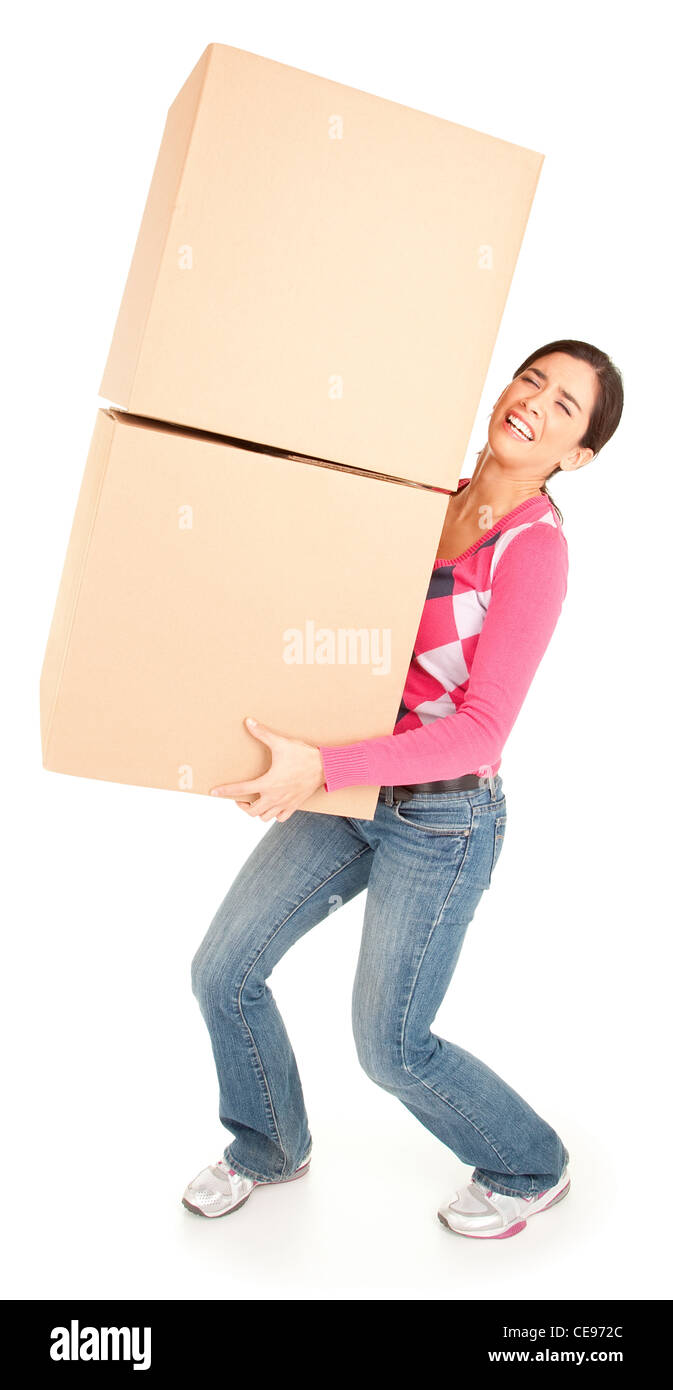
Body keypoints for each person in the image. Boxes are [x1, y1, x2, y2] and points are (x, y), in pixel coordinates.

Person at [184, 339, 623, 1239]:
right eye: (531, 378)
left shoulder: (533, 551)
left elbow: (481, 729)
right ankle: (269, 1148)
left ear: (575, 457)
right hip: (354, 785)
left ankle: (527, 1164)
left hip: (442, 818)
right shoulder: (424, 495)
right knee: (223, 970)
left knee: (389, 1049)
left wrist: (321, 768)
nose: (535, 401)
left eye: (565, 407)